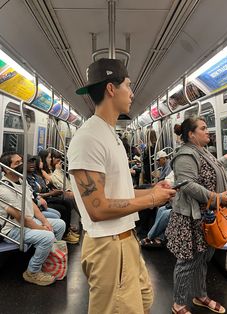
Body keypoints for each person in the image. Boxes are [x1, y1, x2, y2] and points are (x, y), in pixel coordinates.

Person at [67, 58, 176, 314]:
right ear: (111, 89)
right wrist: (152, 201)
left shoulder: (110, 134)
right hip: (108, 246)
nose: (133, 92)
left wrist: (154, 191)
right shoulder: (88, 139)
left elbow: (120, 192)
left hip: (126, 240)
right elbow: (98, 208)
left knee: (145, 301)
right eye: (128, 85)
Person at [165, 117, 227, 314]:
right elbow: (187, 184)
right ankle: (178, 304)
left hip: (206, 217)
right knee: (187, 262)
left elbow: (209, 168)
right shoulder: (185, 155)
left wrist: (225, 159)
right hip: (190, 219)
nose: (208, 132)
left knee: (203, 258)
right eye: (203, 128)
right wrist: (216, 197)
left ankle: (200, 295)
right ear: (191, 134)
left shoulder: (202, 151)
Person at [0, 152, 66, 286]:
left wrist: (45, 222)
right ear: (7, 168)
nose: (22, 165)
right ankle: (32, 272)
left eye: (21, 161)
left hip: (27, 222)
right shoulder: (4, 189)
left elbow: (32, 204)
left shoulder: (21, 180)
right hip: (13, 228)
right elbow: (21, 217)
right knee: (47, 236)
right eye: (17, 163)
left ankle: (47, 261)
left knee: (59, 224)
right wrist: (43, 229)